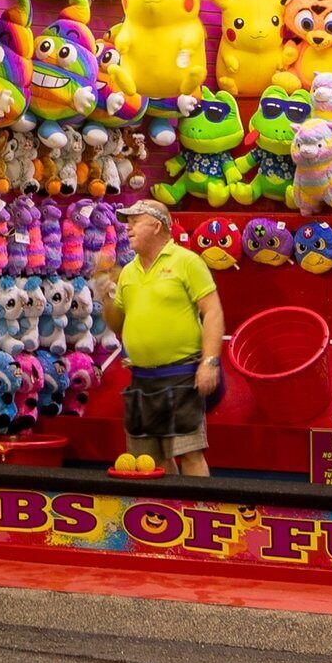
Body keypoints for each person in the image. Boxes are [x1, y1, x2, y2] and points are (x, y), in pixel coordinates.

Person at [94, 197, 225, 477]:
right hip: (142, 380)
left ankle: (198, 514)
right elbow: (118, 323)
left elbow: (213, 312)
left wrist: (210, 362)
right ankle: (165, 517)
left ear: (156, 225)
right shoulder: (128, 272)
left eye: (134, 222)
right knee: (149, 463)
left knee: (190, 454)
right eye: (126, 224)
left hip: (182, 374)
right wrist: (106, 297)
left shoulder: (187, 261)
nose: (127, 229)